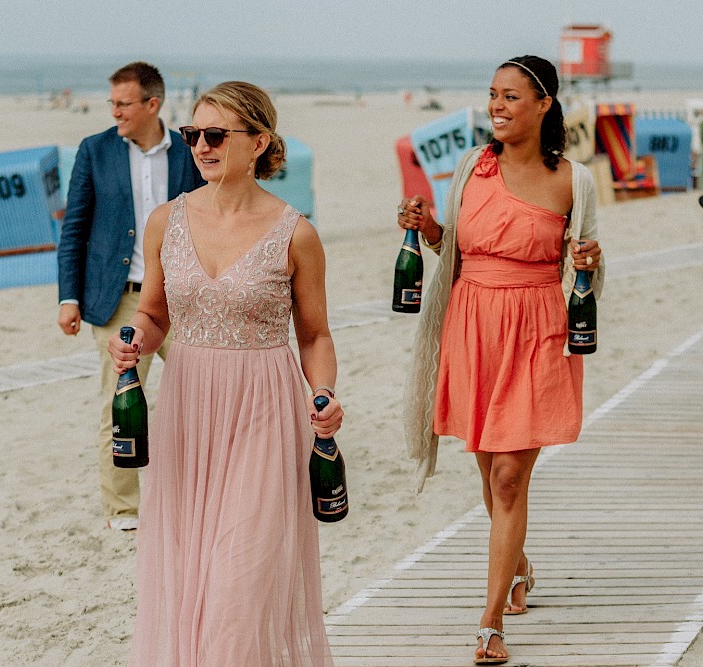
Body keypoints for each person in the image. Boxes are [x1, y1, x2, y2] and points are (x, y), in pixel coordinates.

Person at [108, 81, 343, 666]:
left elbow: (313, 335)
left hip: (264, 417)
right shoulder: (167, 221)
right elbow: (154, 313)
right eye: (193, 135)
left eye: (216, 135)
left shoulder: (297, 234)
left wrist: (324, 395)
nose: (202, 146)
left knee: (239, 597)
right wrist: (133, 341)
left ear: (259, 141)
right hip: (189, 418)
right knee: (193, 584)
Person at [401, 56, 604, 664]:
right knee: (490, 473)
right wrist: (429, 228)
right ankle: (518, 566)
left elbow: (588, 265)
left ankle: (490, 623)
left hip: (537, 327)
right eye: (492, 95)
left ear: (543, 104)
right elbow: (456, 252)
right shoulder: (472, 166)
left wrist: (590, 261)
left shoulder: (576, 180)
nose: (497, 106)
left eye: (511, 96)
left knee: (511, 476)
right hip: (473, 325)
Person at [56, 61, 205, 531]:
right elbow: (74, 228)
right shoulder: (95, 150)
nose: (115, 112)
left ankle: (196, 494)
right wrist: (69, 296)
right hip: (117, 299)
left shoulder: (190, 149)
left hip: (183, 298)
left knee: (201, 396)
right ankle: (123, 510)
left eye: (123, 103)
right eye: (113, 104)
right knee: (119, 405)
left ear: (152, 104)